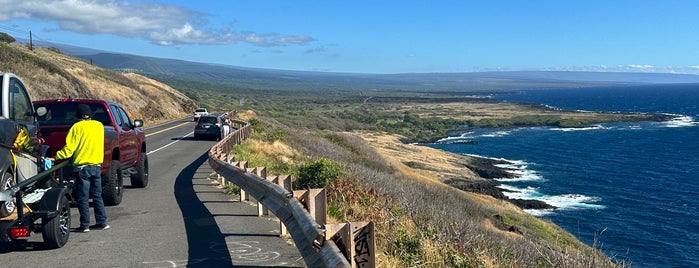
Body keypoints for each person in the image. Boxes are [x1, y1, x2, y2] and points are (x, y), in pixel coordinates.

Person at [50, 104, 109, 232]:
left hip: (82, 167)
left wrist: (56, 156)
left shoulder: (76, 127)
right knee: (97, 195)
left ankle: (85, 225)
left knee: (83, 197)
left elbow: (69, 149)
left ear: (78, 115)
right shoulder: (99, 126)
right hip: (96, 165)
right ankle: (102, 222)